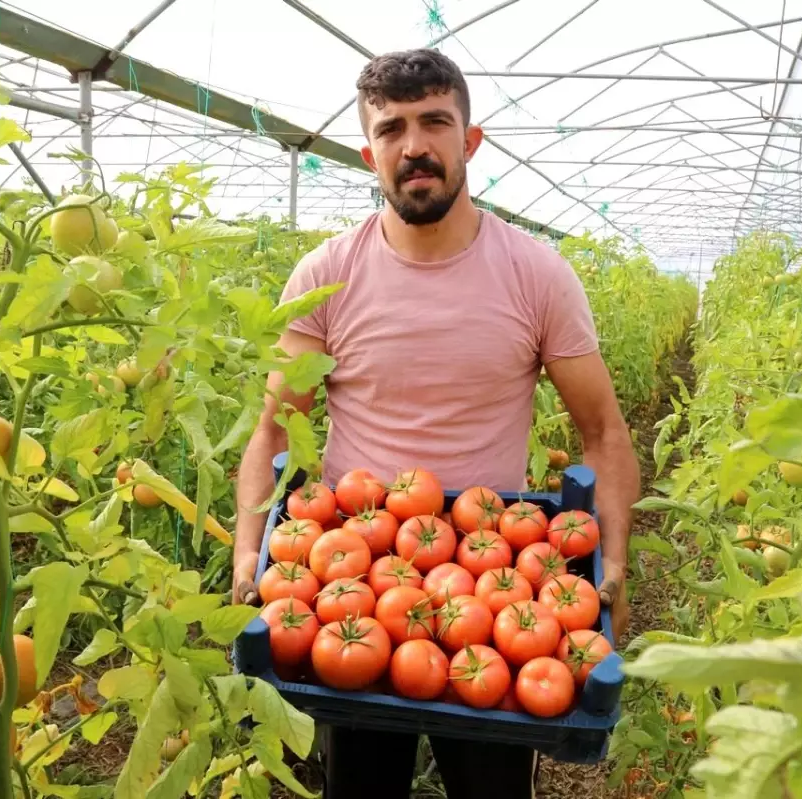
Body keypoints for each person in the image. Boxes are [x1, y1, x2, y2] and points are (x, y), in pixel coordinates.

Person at [232, 47, 640, 799]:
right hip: (351, 570)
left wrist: (611, 557)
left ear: (470, 139)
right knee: (362, 785)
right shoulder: (325, 274)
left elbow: (605, 433)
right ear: (369, 152)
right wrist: (248, 549)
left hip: (497, 581)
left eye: (434, 122)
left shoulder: (536, 273)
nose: (414, 145)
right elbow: (273, 429)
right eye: (391, 129)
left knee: (490, 782)